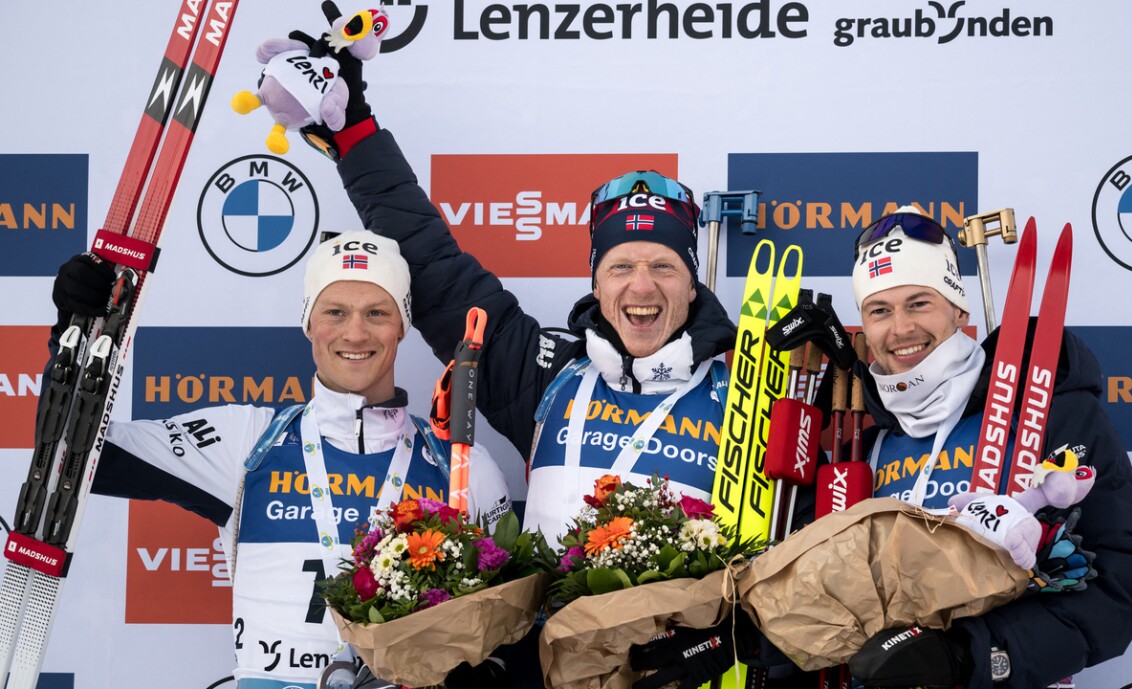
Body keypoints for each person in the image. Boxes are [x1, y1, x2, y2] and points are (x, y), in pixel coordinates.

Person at [288, 32, 753, 688]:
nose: (641, 287)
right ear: (597, 281)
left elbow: (791, 553)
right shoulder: (550, 375)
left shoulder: (746, 391)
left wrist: (732, 641)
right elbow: (433, 265)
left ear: (692, 281)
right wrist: (356, 135)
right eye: (621, 266)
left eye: (663, 266)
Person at [48, 230, 514, 689]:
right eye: (335, 312)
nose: (355, 332)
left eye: (377, 312)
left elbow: (509, 625)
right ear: (309, 323)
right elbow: (76, 455)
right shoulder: (247, 441)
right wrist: (75, 334)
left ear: (401, 326)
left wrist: (484, 671)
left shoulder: (461, 466)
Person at [841, 207, 1132, 688]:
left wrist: (970, 656)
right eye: (880, 310)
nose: (900, 328)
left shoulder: (1049, 411)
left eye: (919, 303)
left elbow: (1118, 584)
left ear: (959, 310)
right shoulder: (867, 444)